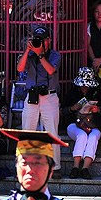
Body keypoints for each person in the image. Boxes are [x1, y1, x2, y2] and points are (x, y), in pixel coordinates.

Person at [16, 26, 63, 177]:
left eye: (42, 39)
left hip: (49, 96)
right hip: (32, 97)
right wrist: (28, 51)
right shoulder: (29, 54)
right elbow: (20, 68)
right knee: (27, 132)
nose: (40, 42)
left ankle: (55, 168)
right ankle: (24, 167)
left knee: (52, 132)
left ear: (48, 40)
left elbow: (51, 70)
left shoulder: (55, 55)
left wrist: (41, 55)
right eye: (37, 39)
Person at [64, 67, 101, 178]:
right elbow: (62, 111)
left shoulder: (97, 93)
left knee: (94, 136)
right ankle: (76, 166)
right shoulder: (72, 93)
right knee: (81, 135)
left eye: (87, 84)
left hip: (93, 124)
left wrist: (98, 109)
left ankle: (85, 167)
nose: (85, 86)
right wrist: (73, 108)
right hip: (75, 124)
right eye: (83, 84)